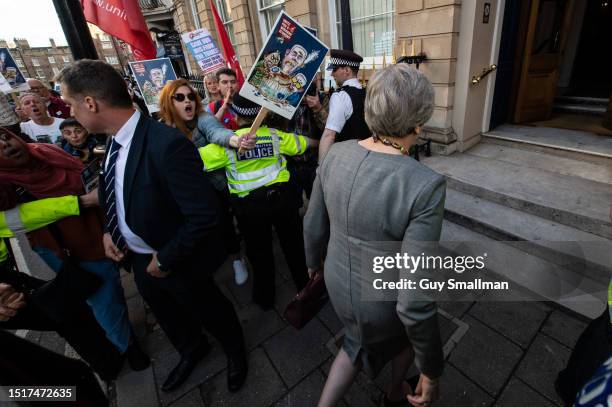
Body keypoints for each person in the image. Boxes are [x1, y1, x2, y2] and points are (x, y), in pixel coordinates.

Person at [57, 59, 248, 393]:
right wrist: (109, 230)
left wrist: (166, 259)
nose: (70, 113)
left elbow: (203, 215)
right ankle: (192, 349)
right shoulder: (113, 140)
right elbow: (112, 188)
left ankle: (236, 352)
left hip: (175, 259)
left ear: (91, 103)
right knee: (169, 314)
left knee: (210, 309)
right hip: (140, 259)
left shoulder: (167, 144)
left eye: (70, 104)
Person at [304, 64, 445, 407]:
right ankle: (396, 391)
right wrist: (431, 370)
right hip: (383, 302)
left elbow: (312, 223)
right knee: (403, 342)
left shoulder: (337, 153)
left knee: (352, 343)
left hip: (338, 282)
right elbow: (414, 301)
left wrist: (313, 265)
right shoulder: (424, 185)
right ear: (419, 121)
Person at [0, 126, 149, 371]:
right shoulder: (5, 184)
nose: (6, 144)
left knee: (113, 286)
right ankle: (126, 346)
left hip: (100, 225)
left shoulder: (45, 151)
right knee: (103, 296)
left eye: (6, 136)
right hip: (68, 246)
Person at [199, 95, 316, 309]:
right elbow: (302, 144)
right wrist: (323, 140)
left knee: (259, 254)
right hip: (282, 201)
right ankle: (305, 287)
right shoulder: (275, 136)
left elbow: (193, 160)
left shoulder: (227, 144)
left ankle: (265, 299)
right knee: (294, 247)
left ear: (235, 115)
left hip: (249, 210)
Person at [0, 190, 125, 382]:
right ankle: (104, 369)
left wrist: (80, 202)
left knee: (67, 312)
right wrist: (81, 202)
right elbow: (14, 218)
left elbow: (14, 218)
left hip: (8, 278)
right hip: (5, 292)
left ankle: (107, 367)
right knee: (66, 314)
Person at [158, 79, 250, 285]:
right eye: (179, 97)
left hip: (216, 186)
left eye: (190, 96)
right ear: (168, 102)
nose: (187, 101)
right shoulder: (162, 130)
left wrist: (236, 140)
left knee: (226, 223)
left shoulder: (203, 118)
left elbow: (218, 133)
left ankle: (237, 258)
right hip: (187, 192)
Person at [316, 49, 370, 162]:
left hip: (347, 161)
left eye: (334, 69)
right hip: (369, 159)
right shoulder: (369, 93)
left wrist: (321, 169)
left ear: (347, 70)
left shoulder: (340, 96)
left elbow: (329, 136)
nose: (332, 74)